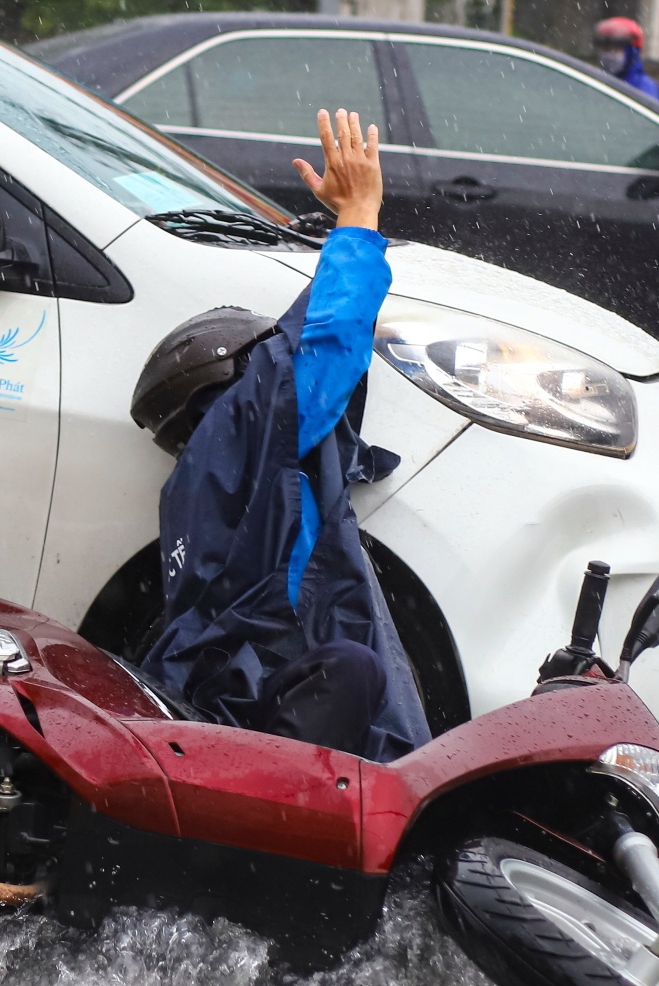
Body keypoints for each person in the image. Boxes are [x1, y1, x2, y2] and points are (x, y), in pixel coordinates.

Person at [132, 109, 432, 762]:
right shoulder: (243, 426)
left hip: (217, 719)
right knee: (355, 669)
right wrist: (358, 216)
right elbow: (317, 354)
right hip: (265, 752)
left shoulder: (195, 491)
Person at [594, 17, 659, 105]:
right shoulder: (595, 81)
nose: (609, 55)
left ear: (632, 51)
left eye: (616, 49)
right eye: (605, 49)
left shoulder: (644, 89)